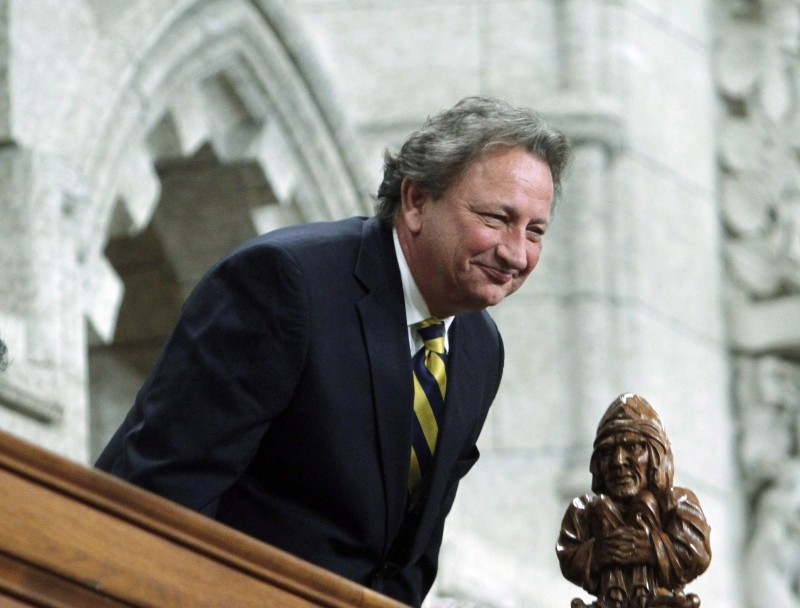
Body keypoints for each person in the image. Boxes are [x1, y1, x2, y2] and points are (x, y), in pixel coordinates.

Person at [96, 96, 572, 607]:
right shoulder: (284, 282)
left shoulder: (480, 346)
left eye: (535, 231)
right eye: (497, 218)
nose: (516, 253)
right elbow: (163, 494)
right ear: (416, 201)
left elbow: (407, 555)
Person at [556, 394, 712, 608]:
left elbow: (696, 553)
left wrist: (651, 548)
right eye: (607, 451)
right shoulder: (583, 513)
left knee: (645, 502)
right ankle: (614, 593)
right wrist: (599, 552)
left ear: (655, 456)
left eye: (633, 447)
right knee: (603, 507)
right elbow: (569, 554)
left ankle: (644, 592)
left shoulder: (678, 503)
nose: (618, 461)